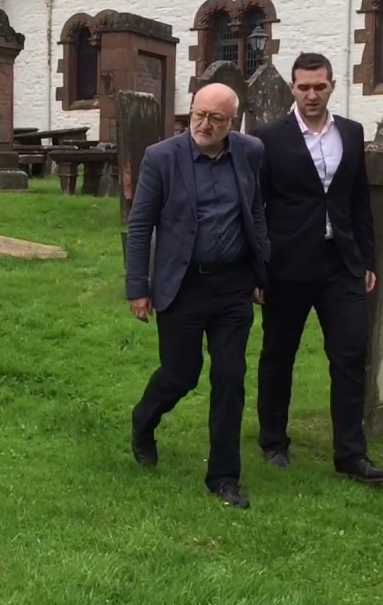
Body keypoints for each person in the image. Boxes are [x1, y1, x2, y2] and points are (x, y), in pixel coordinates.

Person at [124, 82, 270, 509]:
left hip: (233, 286)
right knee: (181, 373)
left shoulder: (250, 152)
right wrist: (138, 288)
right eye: (198, 115)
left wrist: (263, 271)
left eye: (216, 119)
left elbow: (256, 210)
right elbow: (141, 225)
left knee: (230, 377)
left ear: (233, 122)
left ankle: (224, 477)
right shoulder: (162, 158)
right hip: (183, 285)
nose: (204, 125)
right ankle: (143, 421)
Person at [253, 52, 383, 485]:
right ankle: (273, 441)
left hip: (341, 264)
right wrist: (258, 270)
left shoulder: (350, 133)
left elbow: (357, 201)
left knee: (351, 355)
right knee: (279, 355)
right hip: (287, 266)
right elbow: (256, 207)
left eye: (320, 86)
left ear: (332, 85)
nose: (312, 94)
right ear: (292, 88)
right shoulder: (268, 138)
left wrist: (367, 258)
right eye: (304, 87)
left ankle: (351, 455)